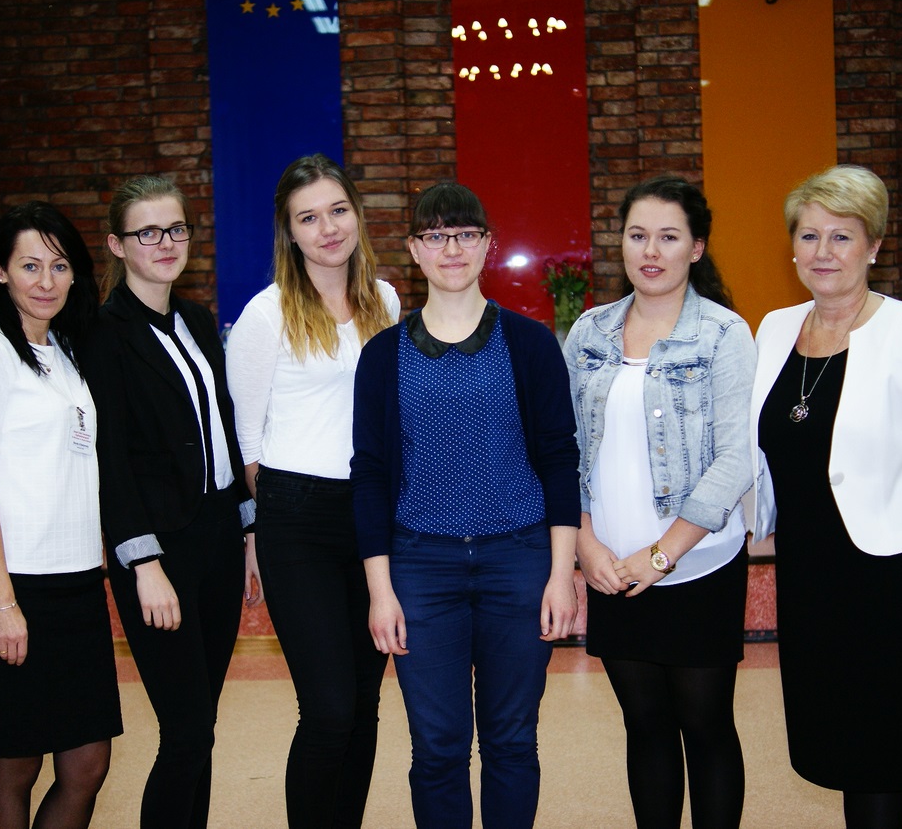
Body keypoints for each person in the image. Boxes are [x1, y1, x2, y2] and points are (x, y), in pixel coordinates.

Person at [751, 164, 902, 829]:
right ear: (793, 247)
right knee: (834, 736)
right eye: (809, 236)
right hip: (810, 573)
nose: (823, 252)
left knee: (885, 747)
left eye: (842, 237)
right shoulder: (774, 329)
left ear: (874, 246)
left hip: (893, 577)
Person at [351, 182, 580, 829]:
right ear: (413, 250)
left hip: (519, 560)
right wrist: (380, 591)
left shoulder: (530, 344)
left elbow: (560, 459)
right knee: (437, 748)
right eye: (434, 235)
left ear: (487, 244)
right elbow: (369, 476)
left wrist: (562, 574)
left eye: (465, 234)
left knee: (512, 741)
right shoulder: (382, 356)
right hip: (421, 567)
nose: (450, 248)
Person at [563, 176, 753, 829]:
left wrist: (662, 556)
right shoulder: (589, 331)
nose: (651, 251)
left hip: (697, 566)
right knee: (643, 724)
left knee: (705, 725)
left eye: (669, 237)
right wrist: (586, 543)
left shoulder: (724, 333)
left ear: (696, 248)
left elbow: (736, 459)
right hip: (613, 568)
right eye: (638, 235)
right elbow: (563, 449)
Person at [226, 154, 401, 828]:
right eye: (309, 218)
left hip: (372, 517)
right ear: (289, 231)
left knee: (364, 705)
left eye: (337, 211)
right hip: (297, 520)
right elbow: (247, 443)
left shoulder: (384, 301)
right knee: (328, 710)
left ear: (356, 213)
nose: (327, 229)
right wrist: (258, 531)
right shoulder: (266, 314)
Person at [81, 175, 260, 829]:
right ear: (117, 245)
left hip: (217, 538)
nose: (165, 242)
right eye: (147, 232)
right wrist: (143, 562)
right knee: (184, 731)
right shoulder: (102, 333)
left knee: (201, 727)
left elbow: (224, 428)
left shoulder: (198, 319)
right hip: (159, 552)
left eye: (176, 229)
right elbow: (110, 458)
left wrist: (248, 530)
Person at [0, 201, 120, 828]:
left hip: (78, 582)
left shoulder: (68, 352)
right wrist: (1, 602)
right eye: (30, 266)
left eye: (59, 265)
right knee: (15, 767)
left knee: (87, 765)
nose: (46, 281)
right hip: (15, 585)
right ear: (1, 272)